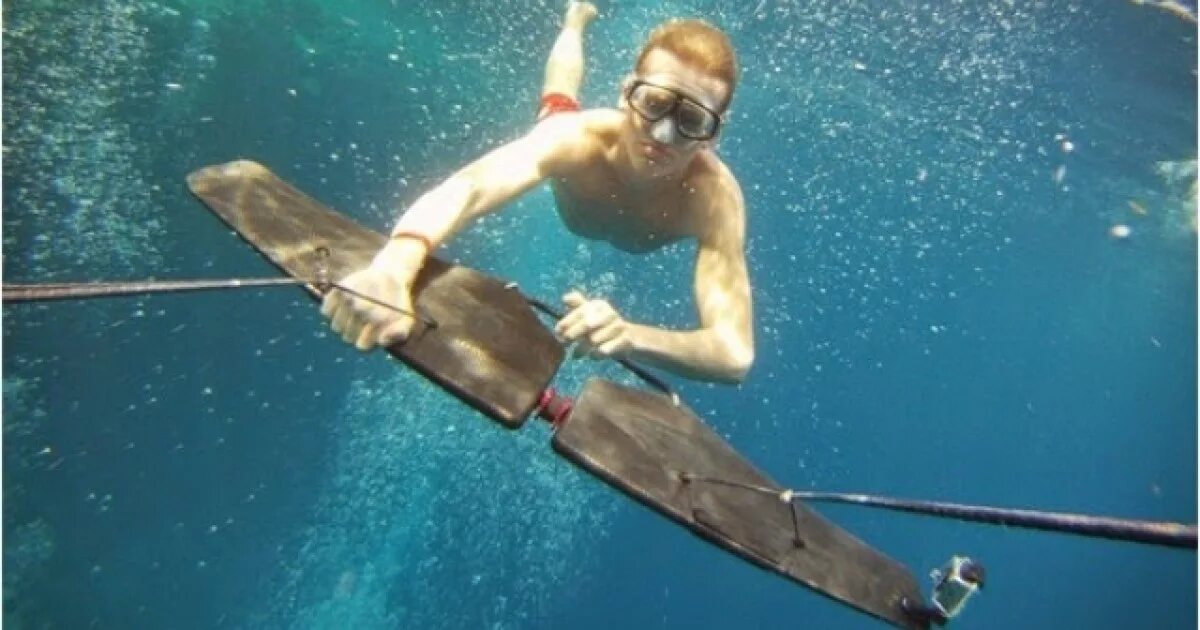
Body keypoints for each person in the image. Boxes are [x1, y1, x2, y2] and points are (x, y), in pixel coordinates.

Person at [321, 2, 754, 383]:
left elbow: (735, 354)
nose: (662, 134)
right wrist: (394, 268)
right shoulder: (576, 140)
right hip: (563, 127)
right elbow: (467, 188)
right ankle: (575, 19)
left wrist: (632, 337)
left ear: (713, 136)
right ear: (626, 94)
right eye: (655, 102)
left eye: (692, 121)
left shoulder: (714, 200)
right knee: (557, 104)